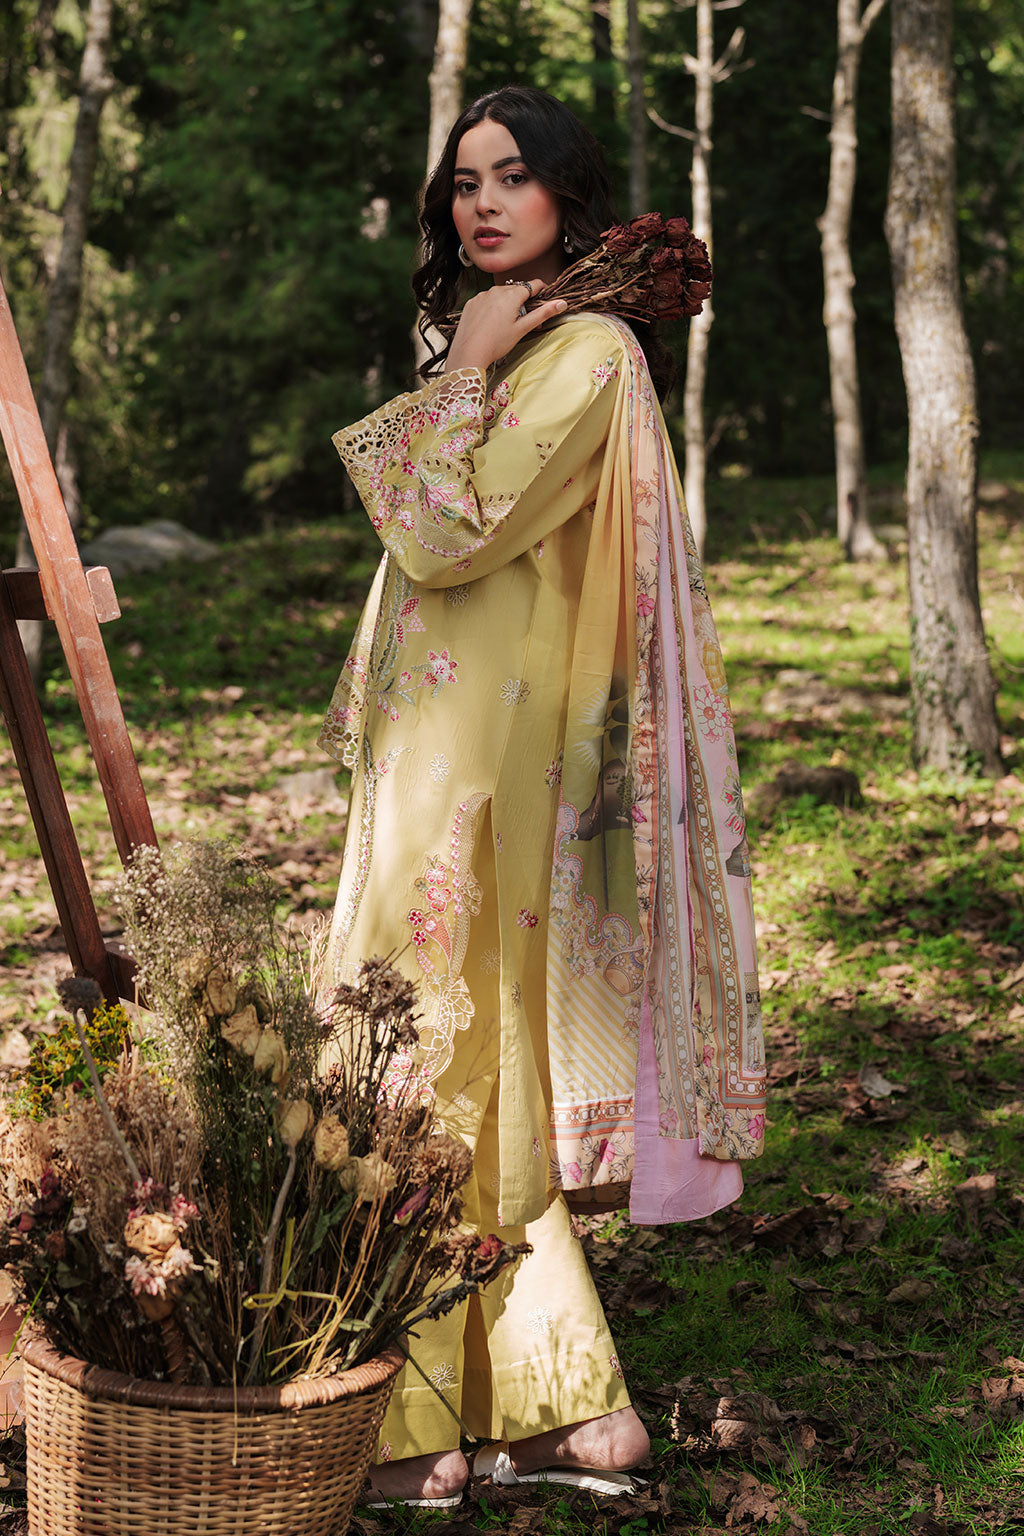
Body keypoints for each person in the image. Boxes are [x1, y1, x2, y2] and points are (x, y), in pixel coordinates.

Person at [319, 84, 766, 1508]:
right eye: (464, 183)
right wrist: (468, 356)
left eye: (513, 176)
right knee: (455, 1048)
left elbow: (442, 529)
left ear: (570, 193)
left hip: (486, 765)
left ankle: (414, 1424)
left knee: (418, 1045)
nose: (484, 204)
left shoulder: (584, 353)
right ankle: (555, 1410)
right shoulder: (518, 340)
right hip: (440, 746)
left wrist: (463, 366)